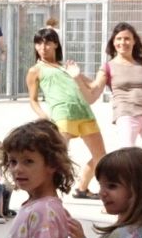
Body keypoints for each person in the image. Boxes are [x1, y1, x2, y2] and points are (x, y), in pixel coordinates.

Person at [73, 22, 142, 150]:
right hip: (125, 116)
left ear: (134, 41)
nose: (123, 42)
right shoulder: (108, 67)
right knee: (128, 155)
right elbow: (91, 97)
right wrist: (77, 78)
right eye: (119, 39)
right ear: (113, 42)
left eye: (127, 38)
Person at [26, 27, 107, 200]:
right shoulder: (35, 70)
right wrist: (43, 116)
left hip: (84, 112)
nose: (43, 47)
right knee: (57, 158)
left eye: (47, 43)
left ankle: (82, 188)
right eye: (39, 43)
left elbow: (93, 86)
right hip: (62, 114)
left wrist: (105, 72)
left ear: (55, 44)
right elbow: (33, 99)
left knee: (101, 156)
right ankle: (46, 193)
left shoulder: (66, 67)